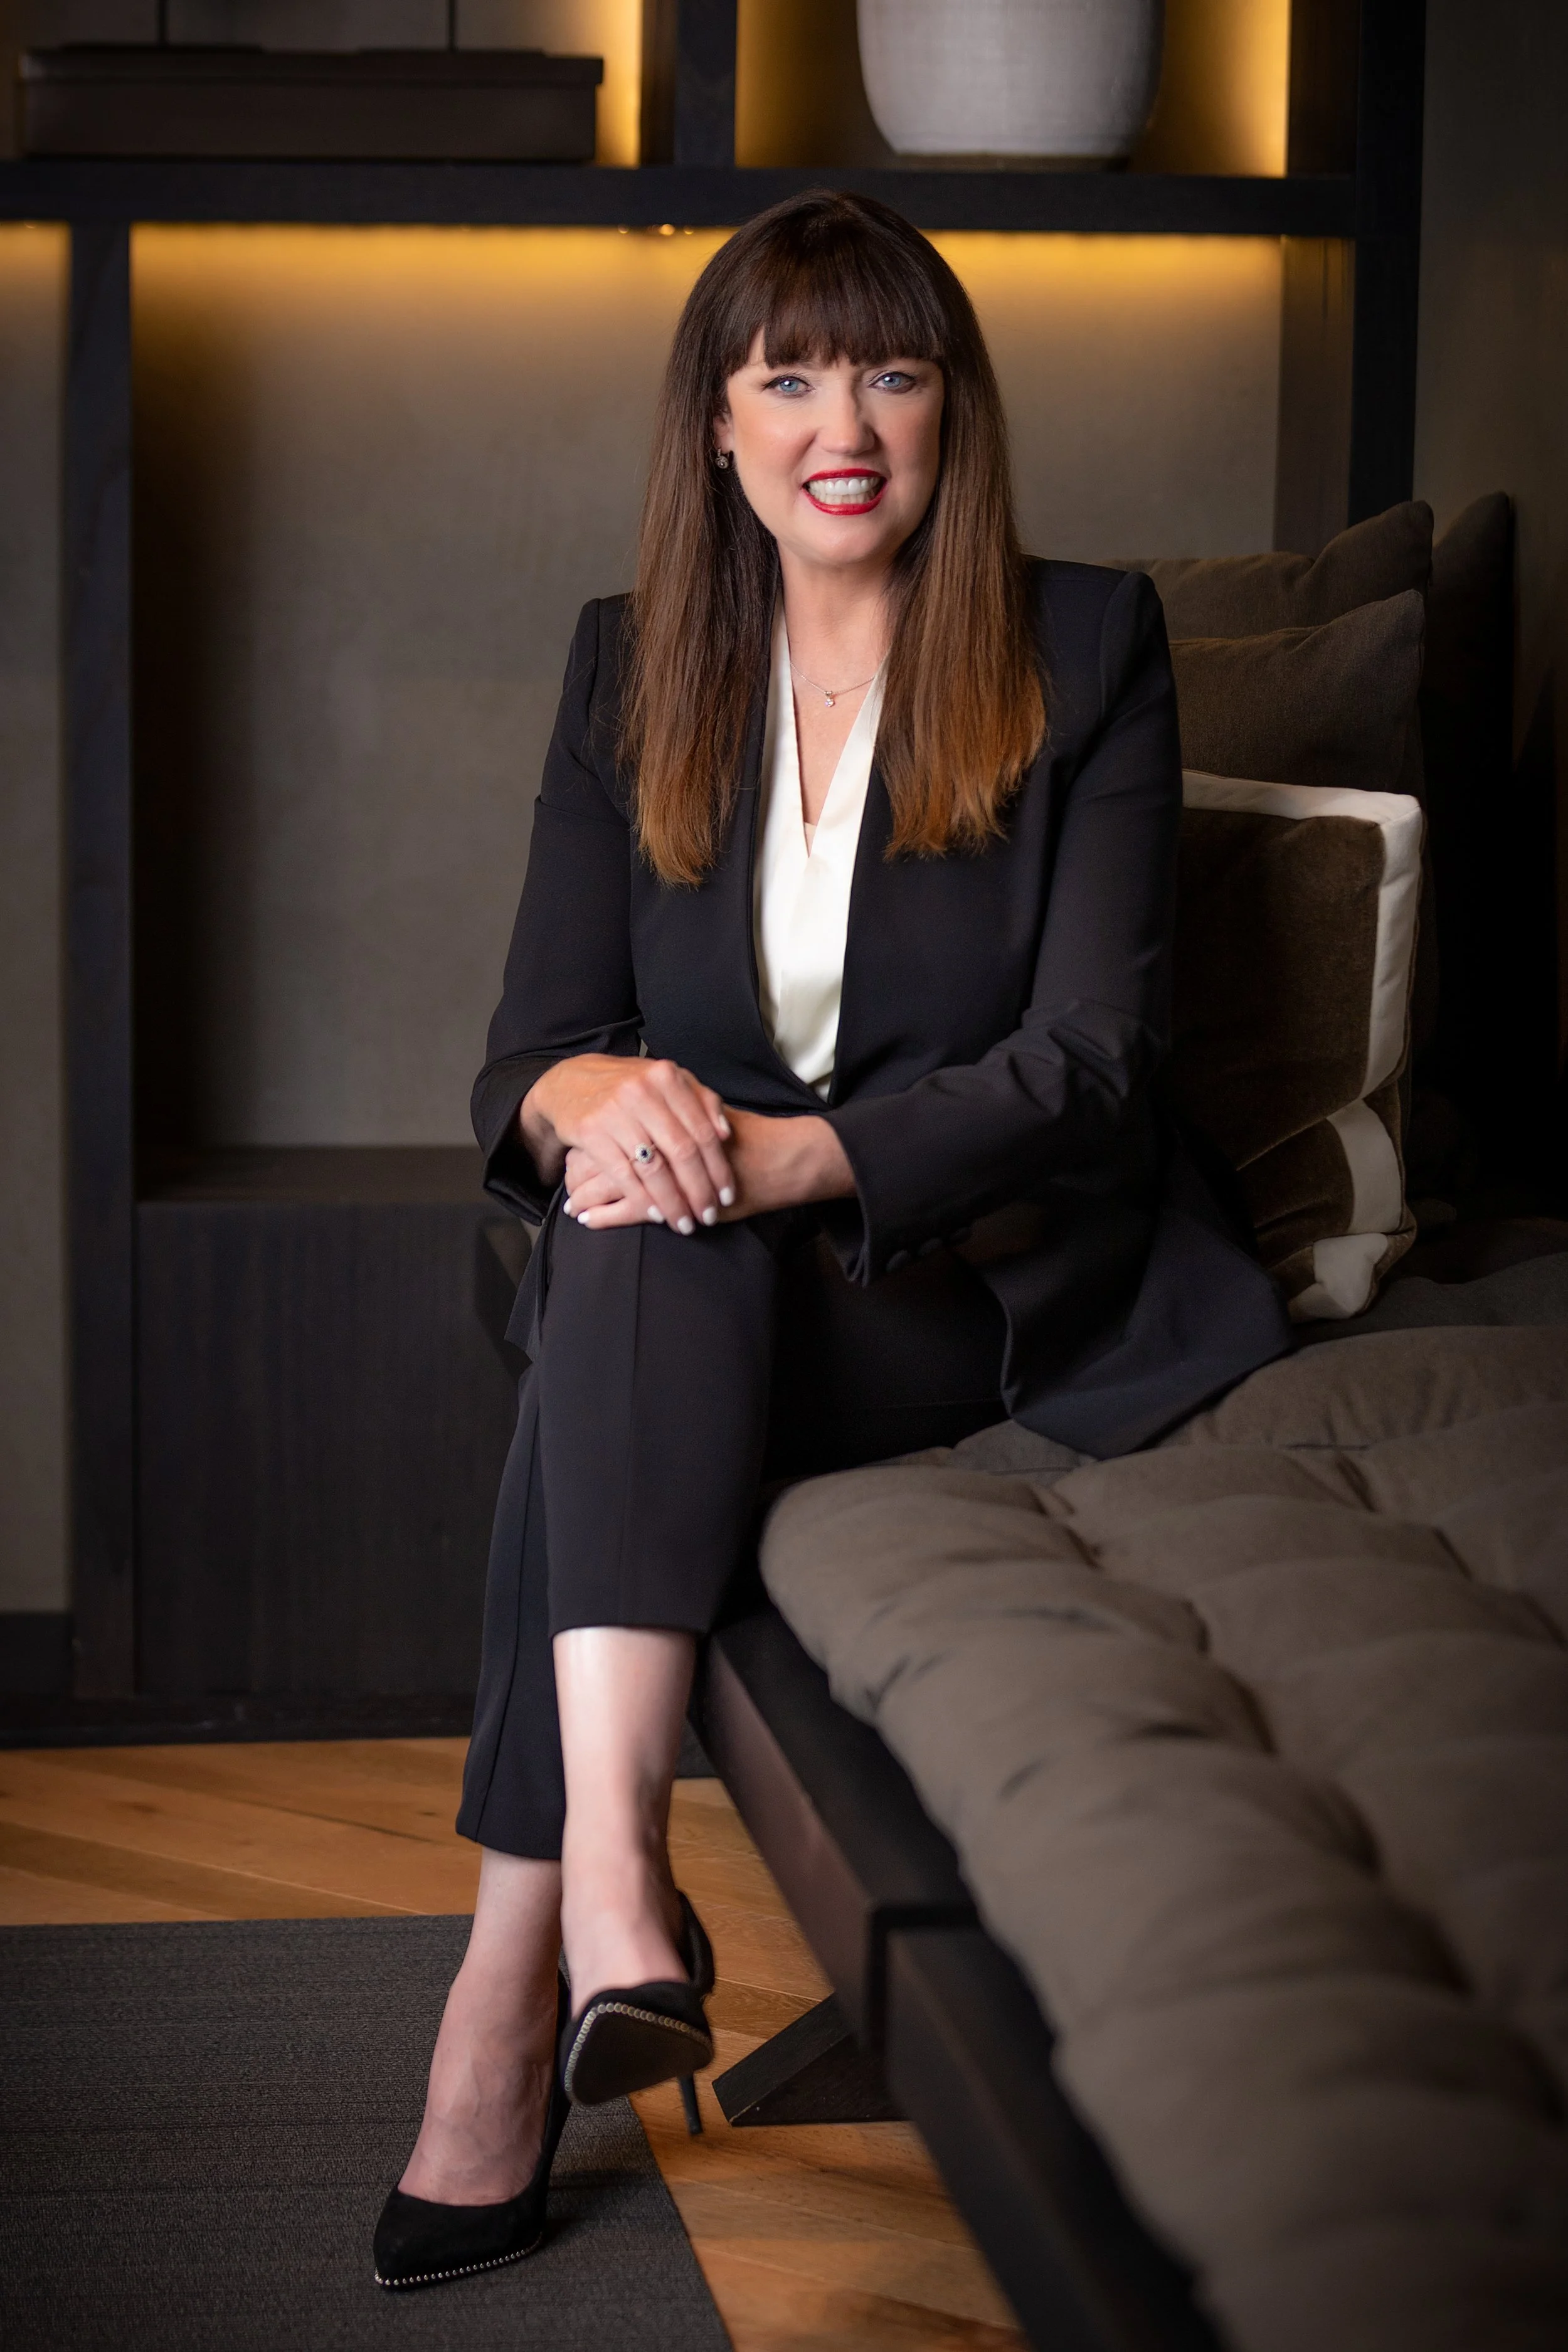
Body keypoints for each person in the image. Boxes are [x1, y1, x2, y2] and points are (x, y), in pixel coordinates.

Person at [373, 188, 1289, 2290]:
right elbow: (532, 1047)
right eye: (786, 377)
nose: (840, 423)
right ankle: (614, 1889)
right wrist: (600, 1107)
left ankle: (519, 1976)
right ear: (716, 422)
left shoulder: (1085, 647)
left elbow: (1093, 1067)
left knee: (637, 1256)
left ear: (953, 408)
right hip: (706, 1276)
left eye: (889, 370)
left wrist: (782, 1156)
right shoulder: (630, 667)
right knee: (631, 1211)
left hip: (978, 1286)